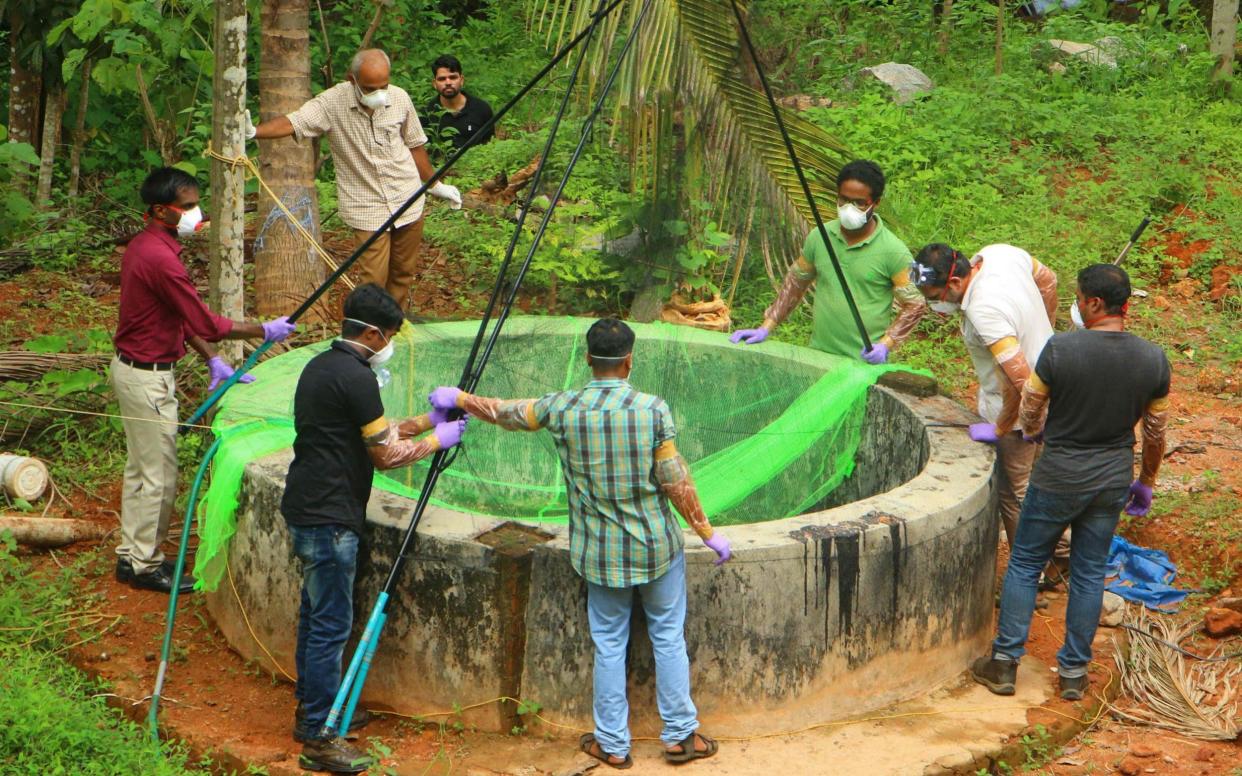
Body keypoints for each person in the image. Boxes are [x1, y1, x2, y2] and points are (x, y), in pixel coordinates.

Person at [427, 318, 730, 768]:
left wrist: (461, 399)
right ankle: (681, 737)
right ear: (629, 361)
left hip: (599, 554)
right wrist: (708, 533)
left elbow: (508, 412)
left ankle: (612, 744)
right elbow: (674, 480)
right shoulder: (653, 410)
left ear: (587, 359)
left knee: (608, 643)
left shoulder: (562, 407)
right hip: (656, 548)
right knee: (668, 637)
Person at [281, 283, 466, 773]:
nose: (389, 345)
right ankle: (320, 736)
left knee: (314, 611)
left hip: (306, 504)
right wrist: (437, 442)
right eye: (388, 336)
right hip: (330, 517)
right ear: (370, 332)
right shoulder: (357, 377)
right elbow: (384, 455)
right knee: (331, 624)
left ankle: (311, 710)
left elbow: (373, 432)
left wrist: (427, 421)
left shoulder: (322, 367)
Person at [970, 264, 1170, 701]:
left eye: (1079, 298)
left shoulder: (1060, 350)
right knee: (1089, 571)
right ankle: (1074, 674)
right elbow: (1155, 432)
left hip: (1059, 474)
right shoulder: (1153, 359)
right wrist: (1146, 481)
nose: (1076, 305)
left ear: (1094, 304)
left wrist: (1035, 430)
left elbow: (1031, 407)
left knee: (1025, 562)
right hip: (1111, 479)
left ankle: (1004, 664)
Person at [112, 167, 296, 594]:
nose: (198, 214)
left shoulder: (147, 247)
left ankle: (131, 554)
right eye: (189, 207)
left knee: (140, 469)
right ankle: (144, 565)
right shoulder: (159, 258)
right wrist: (262, 329)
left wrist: (213, 360)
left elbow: (177, 317)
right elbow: (204, 321)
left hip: (133, 369)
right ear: (160, 210)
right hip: (146, 378)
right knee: (158, 474)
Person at [248, 49, 463, 310]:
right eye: (371, 88)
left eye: (383, 85)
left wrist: (435, 186)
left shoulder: (399, 98)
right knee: (372, 280)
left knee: (403, 273)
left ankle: (393, 327)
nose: (379, 94)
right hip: (366, 206)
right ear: (352, 80)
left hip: (407, 197)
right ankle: (368, 333)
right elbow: (294, 122)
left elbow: (415, 145)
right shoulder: (332, 102)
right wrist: (254, 132)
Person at [910, 243, 1059, 551]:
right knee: (1042, 482)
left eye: (935, 297)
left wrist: (1008, 427)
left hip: (1020, 411)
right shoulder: (998, 253)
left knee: (1016, 491)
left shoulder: (983, 309)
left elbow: (1021, 381)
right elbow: (1049, 280)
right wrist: (1048, 337)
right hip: (1051, 384)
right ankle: (1051, 552)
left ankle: (1032, 568)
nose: (936, 306)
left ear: (953, 282)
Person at [730, 159, 925, 363]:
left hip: (863, 363)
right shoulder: (819, 236)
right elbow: (796, 283)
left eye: (860, 203)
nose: (849, 208)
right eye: (843, 200)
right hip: (819, 356)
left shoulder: (895, 251)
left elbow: (916, 303)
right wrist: (766, 327)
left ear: (876, 203)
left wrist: (886, 344)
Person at [423, 54, 495, 159]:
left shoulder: (482, 109)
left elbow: (491, 147)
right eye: (442, 79)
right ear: (434, 83)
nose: (448, 82)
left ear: (461, 80)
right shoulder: (427, 115)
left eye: (453, 77)